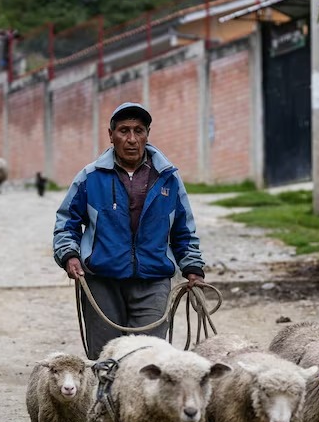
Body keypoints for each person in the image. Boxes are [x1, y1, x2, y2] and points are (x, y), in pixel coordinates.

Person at [53, 102, 205, 359]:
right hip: (102, 280)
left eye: (139, 130)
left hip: (153, 280)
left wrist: (192, 268)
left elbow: (183, 229)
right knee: (105, 360)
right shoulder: (90, 177)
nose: (131, 139)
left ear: (147, 134)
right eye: (124, 131)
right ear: (110, 135)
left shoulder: (168, 178)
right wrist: (69, 255)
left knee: (148, 360)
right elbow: (66, 222)